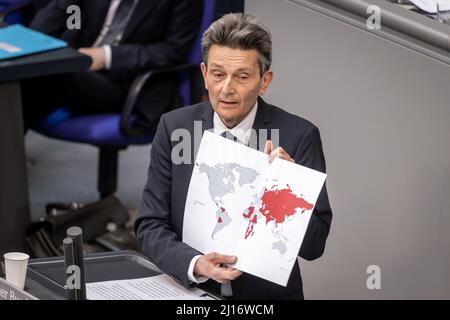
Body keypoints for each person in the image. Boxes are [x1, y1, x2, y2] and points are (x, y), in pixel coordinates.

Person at [135, 13, 332, 300]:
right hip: (190, 291)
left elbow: (315, 247)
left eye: (241, 77)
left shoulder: (299, 136)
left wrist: (288, 187)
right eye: (218, 74)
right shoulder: (174, 127)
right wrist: (195, 264)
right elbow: (150, 225)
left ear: (264, 81)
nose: (227, 88)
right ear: (204, 75)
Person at [21, 0, 203, 132]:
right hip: (80, 64)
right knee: (19, 76)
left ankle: (8, 166)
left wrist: (106, 56)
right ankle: (9, 165)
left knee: (43, 79)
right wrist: (25, 44)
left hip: (129, 83)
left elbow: (173, 51)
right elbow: (62, 9)